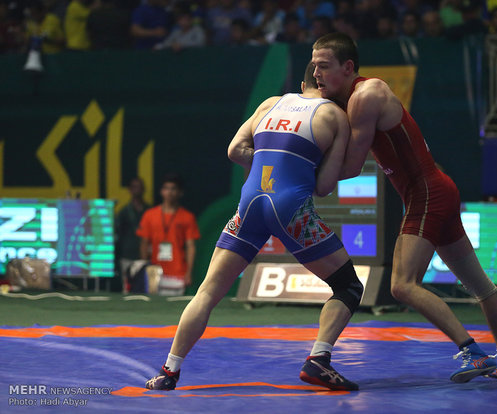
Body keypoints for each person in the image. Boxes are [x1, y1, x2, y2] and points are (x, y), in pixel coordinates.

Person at [310, 32, 497, 382]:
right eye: (313, 66)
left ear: (348, 68)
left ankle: (474, 352)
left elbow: (350, 166)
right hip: (435, 190)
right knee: (480, 286)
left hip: (427, 194)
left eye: (324, 66)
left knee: (402, 285)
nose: (316, 74)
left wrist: (304, 179)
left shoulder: (366, 95)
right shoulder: (351, 99)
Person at [145, 64, 362, 392]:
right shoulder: (334, 114)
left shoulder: (270, 103)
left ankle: (168, 371)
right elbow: (324, 186)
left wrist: (268, 162)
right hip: (291, 209)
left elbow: (234, 151)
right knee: (348, 286)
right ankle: (319, 358)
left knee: (207, 292)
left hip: (250, 203)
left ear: (301, 85)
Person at [136, 173, 200, 293]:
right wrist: (145, 269)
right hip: (155, 272)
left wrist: (189, 273)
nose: (169, 192)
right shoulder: (149, 215)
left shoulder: (187, 217)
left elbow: (190, 246)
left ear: (180, 193)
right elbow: (144, 243)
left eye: (173, 189)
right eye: (166, 188)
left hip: (178, 273)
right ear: (161, 192)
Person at [116, 177, 150, 292]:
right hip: (128, 255)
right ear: (130, 190)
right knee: (127, 287)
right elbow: (118, 234)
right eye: (134, 187)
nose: (137, 190)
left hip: (145, 256)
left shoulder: (149, 210)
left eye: (140, 187)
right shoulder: (124, 211)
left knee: (145, 286)